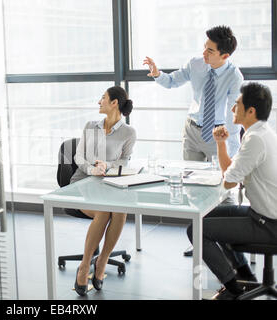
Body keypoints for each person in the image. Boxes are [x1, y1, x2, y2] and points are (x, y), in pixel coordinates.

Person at [143, 25, 243, 256]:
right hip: (192, 131)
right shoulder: (196, 63)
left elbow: (232, 114)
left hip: (218, 134)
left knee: (222, 189)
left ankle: (228, 242)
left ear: (224, 55)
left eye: (210, 50)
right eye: (204, 47)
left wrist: (231, 151)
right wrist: (158, 73)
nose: (204, 53)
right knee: (192, 187)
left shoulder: (234, 76)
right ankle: (200, 239)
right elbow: (172, 81)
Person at [187, 82, 277, 300]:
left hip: (268, 224)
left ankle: (233, 287)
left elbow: (228, 182)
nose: (232, 109)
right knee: (205, 217)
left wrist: (228, 175)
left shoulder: (255, 139)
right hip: (262, 214)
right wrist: (220, 144)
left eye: (236, 104)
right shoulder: (261, 132)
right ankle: (244, 276)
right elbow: (231, 173)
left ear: (251, 111)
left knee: (197, 230)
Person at [71, 86, 136, 296]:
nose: (99, 102)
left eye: (103, 98)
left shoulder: (128, 132)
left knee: (120, 211)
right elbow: (78, 157)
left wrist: (106, 166)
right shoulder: (91, 126)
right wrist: (92, 169)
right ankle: (84, 265)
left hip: (108, 185)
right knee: (104, 211)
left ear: (114, 103)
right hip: (83, 183)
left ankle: (103, 260)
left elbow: (124, 161)